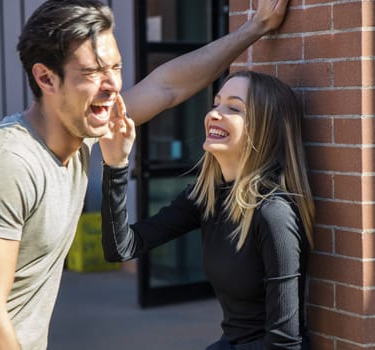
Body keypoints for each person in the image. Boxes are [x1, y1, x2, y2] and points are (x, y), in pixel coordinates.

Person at [0, 0, 290, 349]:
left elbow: (167, 87)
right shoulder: (5, 164)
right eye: (92, 72)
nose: (112, 84)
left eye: (115, 67)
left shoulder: (81, 132)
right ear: (46, 78)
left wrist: (254, 27)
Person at [100, 70, 314, 350]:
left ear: (264, 128)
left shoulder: (274, 213)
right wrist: (116, 165)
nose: (214, 114)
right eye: (216, 103)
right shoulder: (207, 196)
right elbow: (121, 247)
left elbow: (284, 345)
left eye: (234, 108)